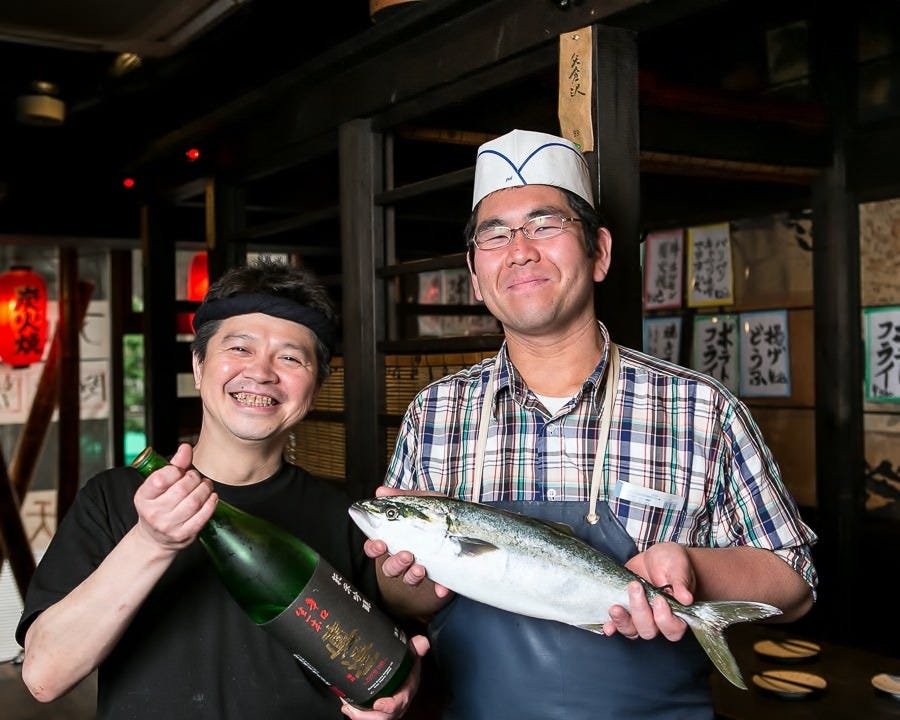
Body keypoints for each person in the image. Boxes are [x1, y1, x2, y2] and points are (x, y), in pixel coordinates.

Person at [364, 129, 819, 719]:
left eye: (546, 225)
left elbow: (795, 581)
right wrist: (403, 578)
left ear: (599, 252)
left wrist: (694, 568)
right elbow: (405, 599)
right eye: (494, 235)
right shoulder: (434, 413)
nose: (520, 249)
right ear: (476, 278)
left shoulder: (699, 407)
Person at [16, 257, 429, 720]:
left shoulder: (346, 516)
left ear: (315, 388)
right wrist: (151, 541)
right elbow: (44, 675)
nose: (261, 372)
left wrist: (393, 697)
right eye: (239, 348)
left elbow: (388, 662)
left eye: (291, 357)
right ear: (198, 365)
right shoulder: (113, 498)